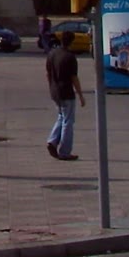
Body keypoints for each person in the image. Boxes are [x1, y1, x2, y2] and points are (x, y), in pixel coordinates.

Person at [45, 30, 86, 160]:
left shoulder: (52, 53)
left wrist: (51, 87)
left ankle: (52, 141)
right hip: (66, 92)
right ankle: (64, 151)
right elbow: (74, 78)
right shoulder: (70, 57)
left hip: (55, 91)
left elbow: (48, 73)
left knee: (61, 117)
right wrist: (80, 95)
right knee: (68, 121)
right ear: (72, 42)